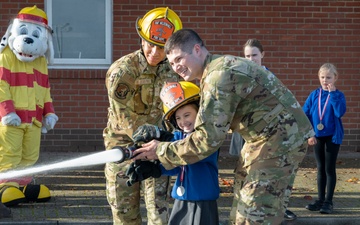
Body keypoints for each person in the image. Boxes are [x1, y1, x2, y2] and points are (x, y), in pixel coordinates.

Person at [132, 29, 315, 224]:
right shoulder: (216, 69)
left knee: (255, 214)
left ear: (196, 49)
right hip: (261, 139)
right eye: (172, 63)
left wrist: (160, 150)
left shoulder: (217, 77)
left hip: (280, 140)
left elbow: (207, 140)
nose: (176, 67)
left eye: (179, 59)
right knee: (240, 213)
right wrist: (165, 143)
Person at [102, 7, 182, 225]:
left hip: (157, 152)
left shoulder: (173, 71)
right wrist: (150, 143)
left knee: (159, 215)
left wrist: (165, 144)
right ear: (141, 39)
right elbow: (123, 117)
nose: (155, 52)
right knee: (125, 215)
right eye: (150, 45)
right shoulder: (124, 71)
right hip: (124, 152)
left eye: (162, 48)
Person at [126, 81, 220, 225]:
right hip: (181, 199)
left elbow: (192, 156)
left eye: (187, 115)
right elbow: (178, 166)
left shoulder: (208, 138)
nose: (183, 121)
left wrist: (166, 139)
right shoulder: (180, 137)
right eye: (178, 118)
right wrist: (155, 169)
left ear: (200, 112)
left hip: (202, 200)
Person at [0, 5, 58, 206]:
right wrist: (7, 112)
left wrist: (49, 112)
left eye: (35, 33)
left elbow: (45, 89)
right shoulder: (6, 56)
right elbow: (1, 86)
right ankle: (5, 186)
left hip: (33, 119)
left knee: (30, 155)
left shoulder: (40, 62)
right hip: (11, 120)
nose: (28, 38)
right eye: (24, 31)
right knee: (9, 153)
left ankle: (23, 185)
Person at [238, 38, 298, 221]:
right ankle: (249, 208)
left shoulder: (271, 79)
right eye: (247, 55)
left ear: (262, 55)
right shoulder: (241, 78)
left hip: (272, 134)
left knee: (276, 173)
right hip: (249, 133)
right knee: (249, 172)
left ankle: (280, 207)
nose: (251, 59)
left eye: (254, 55)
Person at [303, 63, 346, 214]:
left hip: (332, 137)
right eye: (322, 77)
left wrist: (333, 94)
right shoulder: (314, 94)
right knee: (320, 168)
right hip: (317, 137)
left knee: (329, 168)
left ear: (335, 78)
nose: (325, 80)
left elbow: (340, 112)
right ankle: (320, 200)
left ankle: (329, 202)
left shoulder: (339, 95)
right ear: (318, 78)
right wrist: (309, 134)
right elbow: (305, 114)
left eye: (328, 77)